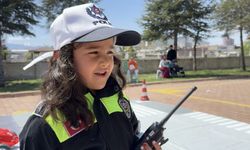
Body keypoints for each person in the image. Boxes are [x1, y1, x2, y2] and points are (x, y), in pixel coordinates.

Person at [19, 3, 162, 150]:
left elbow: (132, 135)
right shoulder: (43, 127)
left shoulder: (116, 97)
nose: (106, 61)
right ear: (63, 58)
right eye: (94, 52)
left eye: (110, 52)